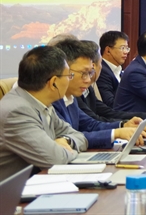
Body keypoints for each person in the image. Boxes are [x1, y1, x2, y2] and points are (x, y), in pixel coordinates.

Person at [0, 46, 88, 179]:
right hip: (15, 191)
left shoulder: (41, 102)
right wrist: (65, 150)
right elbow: (56, 160)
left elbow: (80, 137)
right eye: (69, 75)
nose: (70, 80)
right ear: (53, 83)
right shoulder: (17, 112)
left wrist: (66, 140)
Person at [51, 40, 146, 149]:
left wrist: (122, 125)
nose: (88, 80)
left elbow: (90, 124)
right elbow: (71, 137)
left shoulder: (69, 97)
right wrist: (115, 133)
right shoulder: (52, 101)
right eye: (83, 73)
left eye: (90, 73)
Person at [78, 40, 146, 133]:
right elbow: (93, 122)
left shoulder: (88, 87)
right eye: (122, 48)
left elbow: (107, 112)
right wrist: (125, 125)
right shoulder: (135, 70)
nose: (126, 52)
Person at [97, 31, 130, 107]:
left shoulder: (118, 70)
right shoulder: (102, 71)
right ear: (108, 50)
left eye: (127, 48)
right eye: (122, 48)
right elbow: (110, 103)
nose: (126, 52)